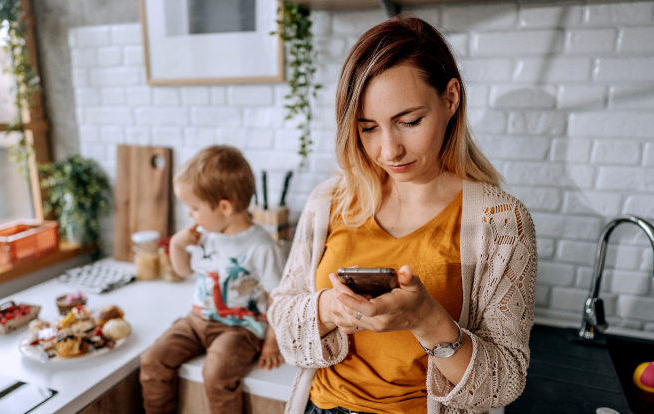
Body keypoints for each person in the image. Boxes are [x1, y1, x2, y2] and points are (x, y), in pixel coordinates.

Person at [268, 16, 537, 414]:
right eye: (368, 128)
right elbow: (283, 317)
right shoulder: (328, 202)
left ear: (450, 98)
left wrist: (427, 319)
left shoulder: (501, 222)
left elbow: (504, 381)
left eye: (409, 122)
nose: (389, 150)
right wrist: (330, 308)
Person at [140, 145, 286, 414]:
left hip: (239, 327)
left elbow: (277, 297)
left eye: (194, 208)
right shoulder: (207, 234)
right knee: (152, 360)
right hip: (197, 320)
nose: (189, 215)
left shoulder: (261, 247)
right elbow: (184, 271)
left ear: (224, 206)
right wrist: (176, 246)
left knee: (217, 374)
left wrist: (271, 343)